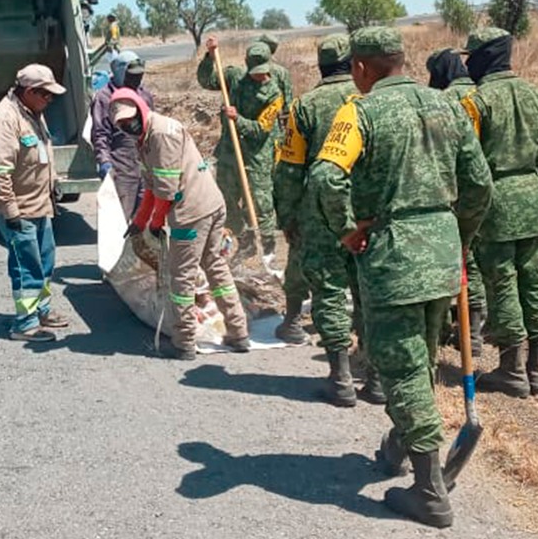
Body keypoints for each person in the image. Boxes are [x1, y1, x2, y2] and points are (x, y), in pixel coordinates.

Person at [311, 27, 493, 527]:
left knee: (404, 367)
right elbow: (478, 185)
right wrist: (459, 236)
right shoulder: (447, 106)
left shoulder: (359, 111)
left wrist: (347, 230)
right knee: (419, 358)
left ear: (363, 69)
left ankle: (429, 490)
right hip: (441, 253)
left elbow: (325, 177)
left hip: (393, 258)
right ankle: (398, 445)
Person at [109, 89, 251, 360]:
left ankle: (184, 341)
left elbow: (166, 190)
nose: (128, 125)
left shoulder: (161, 134)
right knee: (215, 265)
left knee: (181, 276)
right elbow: (153, 185)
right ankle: (238, 332)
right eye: (123, 124)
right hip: (209, 204)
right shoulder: (148, 135)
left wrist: (156, 223)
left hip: (192, 214)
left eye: (130, 119)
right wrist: (140, 221)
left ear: (140, 108)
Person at [459, 27, 538, 398]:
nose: (467, 64)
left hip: (495, 203)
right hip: (532, 200)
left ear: (486, 57)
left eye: (471, 57)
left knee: (501, 282)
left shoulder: (475, 102)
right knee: (534, 282)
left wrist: (464, 213)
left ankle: (511, 369)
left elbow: (468, 166)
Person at [274, 34, 363, 405]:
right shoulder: (367, 99)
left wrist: (287, 216)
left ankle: (340, 377)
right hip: (366, 209)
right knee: (365, 289)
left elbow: (290, 169)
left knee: (327, 289)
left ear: (321, 66)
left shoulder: (305, 107)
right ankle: (373, 377)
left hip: (319, 212)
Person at [0, 64, 71, 342]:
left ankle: (41, 311)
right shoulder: (4, 119)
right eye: (46, 95)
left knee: (45, 262)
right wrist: (10, 211)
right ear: (30, 91)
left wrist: (53, 183)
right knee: (26, 266)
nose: (50, 101)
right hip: (19, 209)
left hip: (39, 204)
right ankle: (25, 323)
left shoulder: (33, 113)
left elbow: (43, 151)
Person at [197, 36, 293, 256]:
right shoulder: (234, 77)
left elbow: (261, 129)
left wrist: (237, 118)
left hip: (259, 154)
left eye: (263, 70)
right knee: (227, 197)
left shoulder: (274, 93)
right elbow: (207, 80)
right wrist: (210, 56)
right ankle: (244, 240)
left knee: (262, 202)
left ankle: (268, 250)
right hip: (230, 151)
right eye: (255, 69)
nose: (260, 75)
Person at [427, 48, 488, 355]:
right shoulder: (484, 93)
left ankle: (454, 332)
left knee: (462, 260)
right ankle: (473, 333)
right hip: (491, 192)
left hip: (458, 193)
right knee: (478, 264)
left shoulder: (446, 102)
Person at [90, 51, 155, 220]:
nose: (136, 79)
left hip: (145, 165)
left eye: (139, 75)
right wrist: (104, 162)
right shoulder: (104, 98)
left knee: (145, 219)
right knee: (120, 219)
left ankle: (142, 247)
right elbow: (100, 134)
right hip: (121, 168)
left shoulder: (144, 95)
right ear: (120, 72)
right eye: (132, 75)